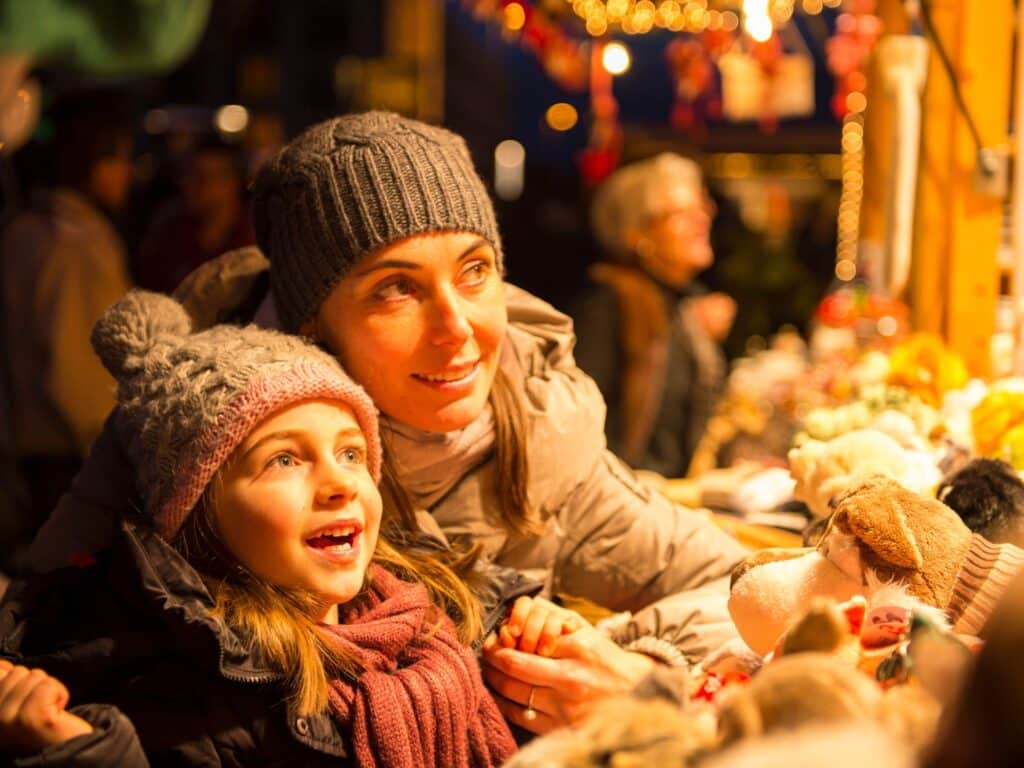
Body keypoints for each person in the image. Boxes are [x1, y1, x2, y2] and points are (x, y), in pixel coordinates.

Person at [29, 111, 748, 734]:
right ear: (311, 327)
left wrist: (639, 671)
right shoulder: (188, 431)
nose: (457, 329)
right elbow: (37, 627)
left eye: (474, 271)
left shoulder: (536, 436)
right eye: (396, 289)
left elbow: (744, 588)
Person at [0, 289, 517, 766]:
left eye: (350, 452)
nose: (339, 482)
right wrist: (86, 753)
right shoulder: (183, 696)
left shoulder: (438, 608)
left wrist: (540, 627)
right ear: (198, 511)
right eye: (284, 460)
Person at [0, 92, 134, 572]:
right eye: (118, 158)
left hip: (26, 447)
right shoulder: (77, 241)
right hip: (73, 457)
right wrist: (118, 455)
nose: (128, 173)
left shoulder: (23, 230)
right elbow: (74, 368)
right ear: (90, 164)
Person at [568, 153, 735, 478]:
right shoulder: (606, 305)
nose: (701, 219)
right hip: (626, 505)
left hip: (673, 499)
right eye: (679, 213)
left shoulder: (679, 306)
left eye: (701, 207)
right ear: (637, 234)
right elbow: (584, 433)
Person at [135, 134, 255, 294]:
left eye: (215, 176)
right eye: (193, 174)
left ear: (236, 182)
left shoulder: (257, 240)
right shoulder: (169, 235)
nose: (203, 185)